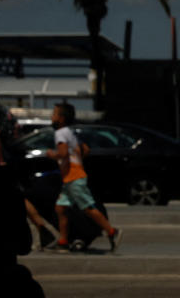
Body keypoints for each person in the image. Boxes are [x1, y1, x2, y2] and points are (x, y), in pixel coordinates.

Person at [46, 103, 122, 251]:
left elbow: (63, 153)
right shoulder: (69, 132)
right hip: (71, 177)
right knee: (61, 208)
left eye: (54, 114)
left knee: (87, 207)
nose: (52, 117)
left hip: (73, 177)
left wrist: (51, 154)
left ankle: (112, 232)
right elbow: (85, 149)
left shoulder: (60, 133)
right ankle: (63, 241)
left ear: (61, 118)